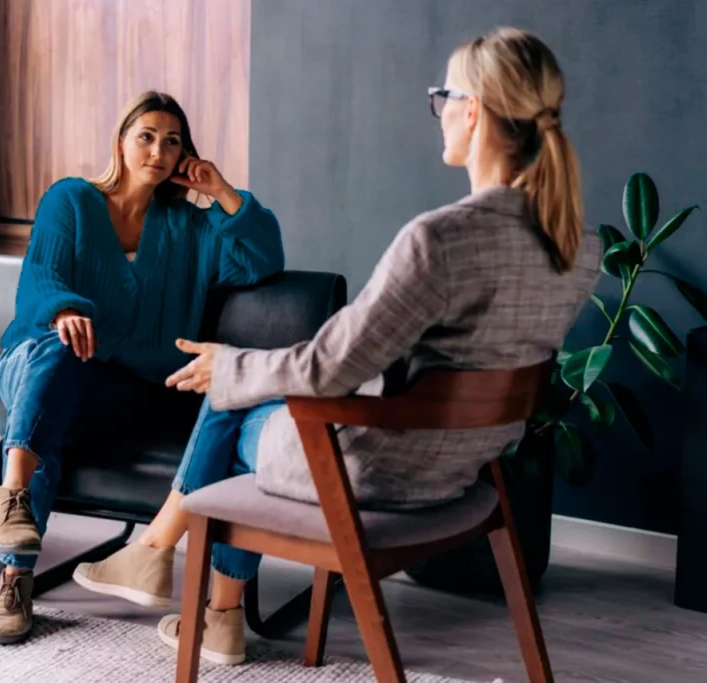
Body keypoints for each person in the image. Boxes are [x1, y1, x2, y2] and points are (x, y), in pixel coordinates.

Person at [73, 27, 602, 666]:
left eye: (443, 97)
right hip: (463, 470)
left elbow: (331, 366)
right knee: (245, 382)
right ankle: (206, 605)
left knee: (232, 398)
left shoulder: (440, 239)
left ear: (474, 111)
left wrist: (231, 366)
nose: (439, 114)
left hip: (376, 471)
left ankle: (169, 567)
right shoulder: (578, 246)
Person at [0, 91, 284, 644]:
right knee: (57, 361)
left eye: (172, 141)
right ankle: (15, 536)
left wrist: (220, 191)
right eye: (146, 135)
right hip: (35, 360)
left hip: (128, 386)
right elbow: (39, 279)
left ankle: (17, 554)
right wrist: (65, 311)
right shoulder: (70, 200)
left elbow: (262, 261)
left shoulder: (192, 228)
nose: (158, 150)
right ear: (121, 142)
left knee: (64, 394)